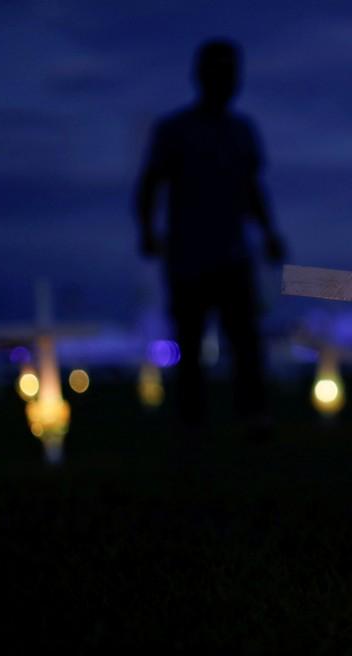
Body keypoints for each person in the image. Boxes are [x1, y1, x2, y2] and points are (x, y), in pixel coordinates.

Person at [135, 39, 285, 438]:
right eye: (218, 71)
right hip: (188, 256)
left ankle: (252, 416)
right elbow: (150, 185)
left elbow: (253, 188)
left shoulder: (241, 132)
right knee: (190, 340)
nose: (225, 80)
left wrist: (269, 233)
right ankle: (191, 421)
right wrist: (148, 231)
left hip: (232, 255)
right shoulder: (175, 131)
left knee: (245, 340)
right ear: (201, 76)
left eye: (230, 72)